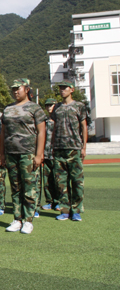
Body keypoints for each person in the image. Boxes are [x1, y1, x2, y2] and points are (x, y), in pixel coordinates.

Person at [0, 79, 46, 234]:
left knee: (29, 187)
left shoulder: (35, 108)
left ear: (26, 89)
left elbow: (41, 132)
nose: (15, 91)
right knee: (15, 188)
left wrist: (39, 154)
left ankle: (28, 220)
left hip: (28, 153)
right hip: (11, 153)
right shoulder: (7, 109)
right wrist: (2, 154)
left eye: (18, 88)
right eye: (13, 89)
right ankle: (17, 219)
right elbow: (3, 132)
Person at [51, 81, 88, 222]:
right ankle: (65, 210)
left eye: (65, 88)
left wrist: (84, 147)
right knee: (61, 182)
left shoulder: (79, 106)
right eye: (60, 88)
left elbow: (83, 126)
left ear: (72, 89)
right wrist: (52, 145)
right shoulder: (57, 108)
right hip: (59, 148)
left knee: (77, 181)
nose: (62, 90)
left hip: (74, 148)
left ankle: (76, 210)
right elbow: (54, 127)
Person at [40, 98, 58, 211]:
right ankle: (50, 201)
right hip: (46, 154)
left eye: (51, 105)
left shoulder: (59, 121)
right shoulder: (44, 121)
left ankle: (59, 201)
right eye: (47, 105)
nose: (49, 107)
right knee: (47, 180)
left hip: (56, 154)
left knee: (58, 180)